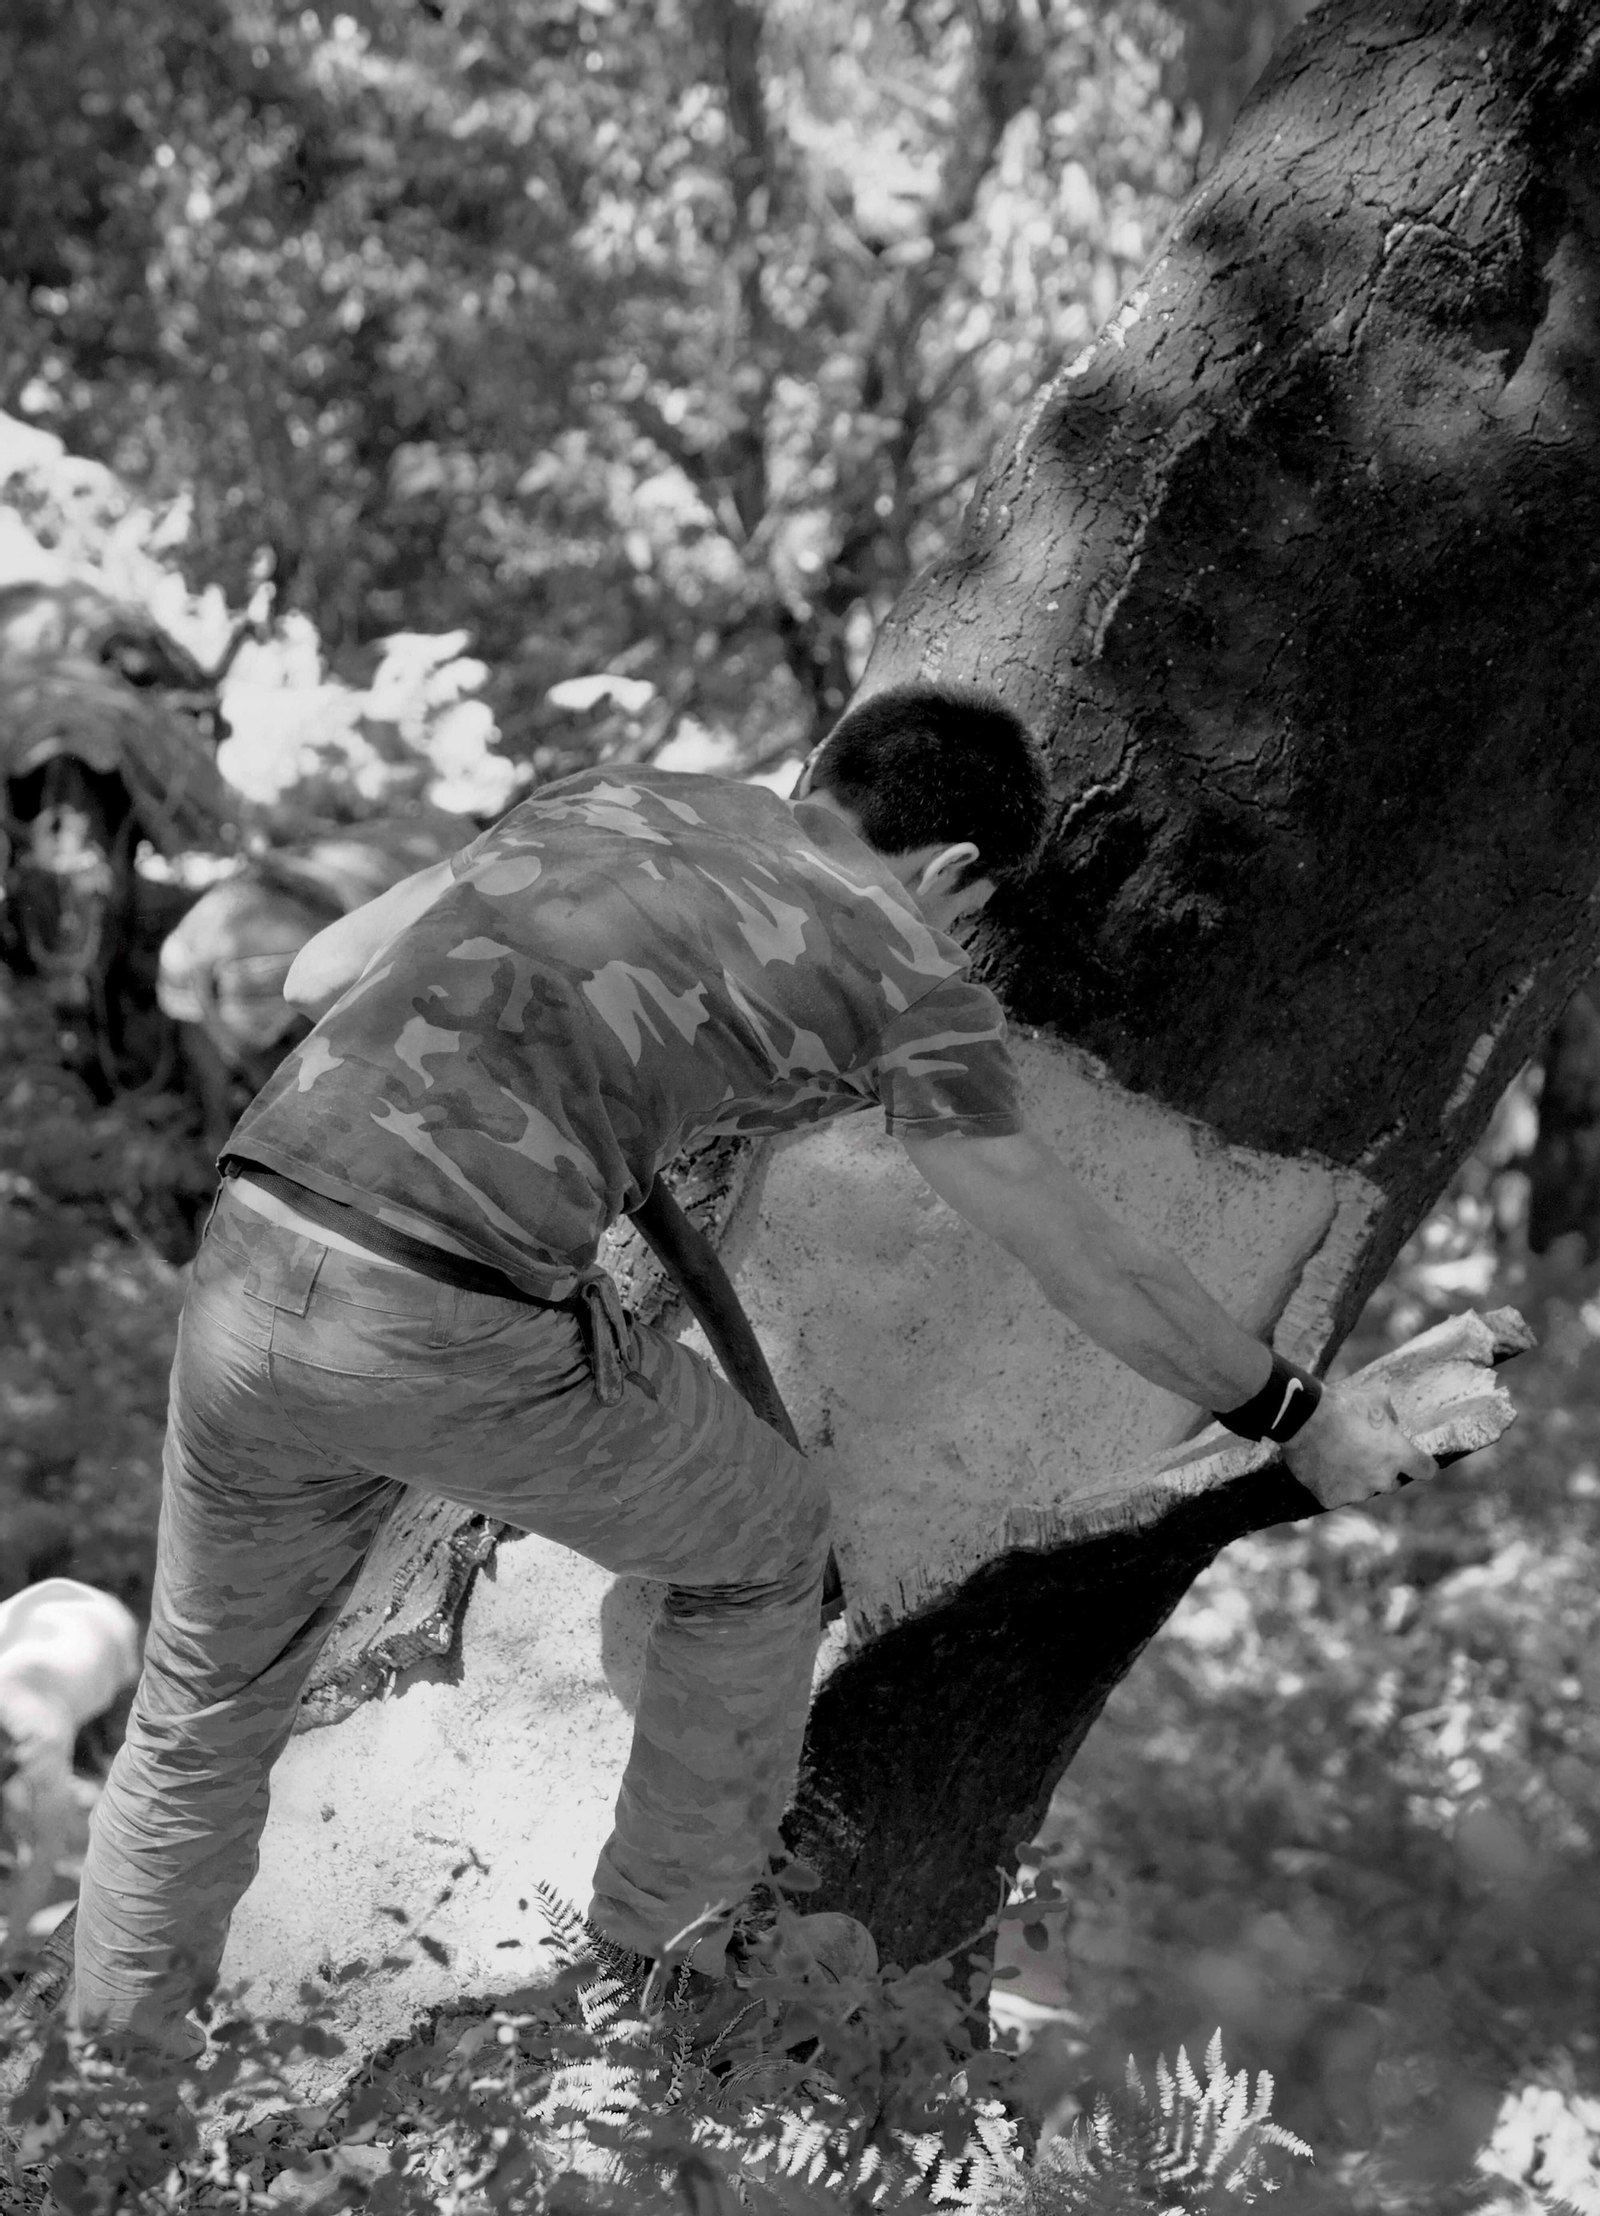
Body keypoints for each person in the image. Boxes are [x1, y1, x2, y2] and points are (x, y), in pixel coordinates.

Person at [69, 684, 1433, 2060]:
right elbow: (1085, 1259)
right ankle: (649, 1970)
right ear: (952, 870)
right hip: (444, 1317)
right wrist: (1290, 1413)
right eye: (969, 911)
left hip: (255, 1257)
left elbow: (315, 976)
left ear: (825, 777)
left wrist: (595, 1073)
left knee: (197, 1712)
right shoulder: (905, 982)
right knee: (768, 1545)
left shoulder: (610, 797)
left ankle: (108, 2100)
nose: (958, 937)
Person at [0, 1579, 140, 1961]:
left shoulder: (40, 1734)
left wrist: (12, 1940)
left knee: (128, 1766)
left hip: (109, 1630)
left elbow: (47, 1850)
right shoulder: (34, 1729)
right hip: (58, 1606)